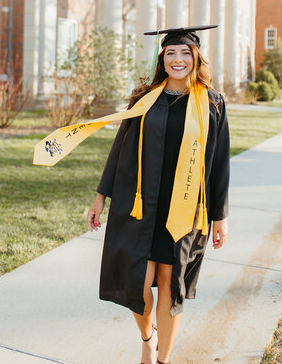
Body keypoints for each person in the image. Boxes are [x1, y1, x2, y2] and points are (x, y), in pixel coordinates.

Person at [87, 26, 230, 364]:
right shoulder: (144, 98)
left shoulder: (212, 102)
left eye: (184, 53)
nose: (177, 59)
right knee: (138, 284)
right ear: (162, 59)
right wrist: (100, 197)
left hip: (184, 206)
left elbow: (219, 162)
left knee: (170, 283)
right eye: (170, 53)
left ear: (195, 57)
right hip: (141, 203)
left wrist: (220, 216)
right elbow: (119, 149)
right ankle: (147, 336)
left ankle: (161, 359)